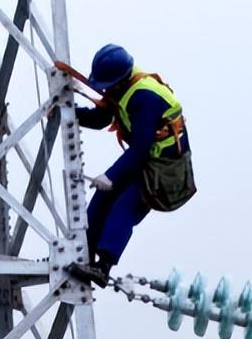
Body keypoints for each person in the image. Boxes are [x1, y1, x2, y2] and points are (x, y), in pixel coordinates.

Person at [68, 44, 196, 287]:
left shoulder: (145, 97)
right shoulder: (122, 87)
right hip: (145, 162)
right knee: (102, 198)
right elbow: (102, 118)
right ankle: (84, 254)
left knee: (125, 205)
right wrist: (70, 112)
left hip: (164, 171)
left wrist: (111, 175)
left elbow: (141, 147)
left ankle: (103, 267)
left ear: (118, 81)